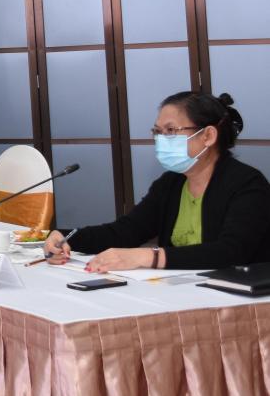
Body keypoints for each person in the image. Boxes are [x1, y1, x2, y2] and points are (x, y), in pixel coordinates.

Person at [45, 92, 270, 272]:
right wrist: (68, 237)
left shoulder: (247, 184)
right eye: (157, 132)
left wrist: (148, 257)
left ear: (208, 136)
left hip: (240, 300)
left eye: (170, 131)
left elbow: (231, 252)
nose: (161, 139)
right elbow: (127, 231)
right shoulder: (171, 182)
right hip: (182, 290)